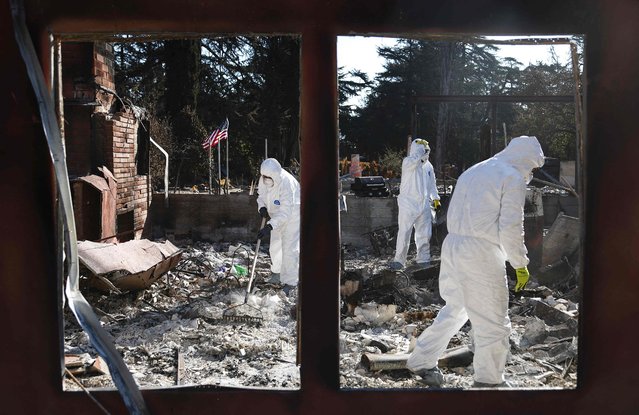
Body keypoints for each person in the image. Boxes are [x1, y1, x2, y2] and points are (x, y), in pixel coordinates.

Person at [405, 135, 545, 388]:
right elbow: (511, 226)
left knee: (456, 309)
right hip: (481, 252)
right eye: (532, 167)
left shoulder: (474, 170)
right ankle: (490, 383)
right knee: (493, 321)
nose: (531, 172)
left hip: (453, 246)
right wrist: (520, 263)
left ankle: (421, 361)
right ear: (525, 159)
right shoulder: (511, 177)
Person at [389, 138, 441, 270]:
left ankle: (423, 259)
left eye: (427, 150)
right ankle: (399, 261)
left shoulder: (429, 166)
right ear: (416, 149)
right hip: (408, 203)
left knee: (424, 233)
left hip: (423, 204)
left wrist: (435, 198)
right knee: (404, 232)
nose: (426, 152)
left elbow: (432, 184)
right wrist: (420, 153)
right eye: (424, 150)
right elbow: (416, 160)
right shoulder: (408, 162)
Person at [256, 158, 301, 294]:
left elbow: (285, 212)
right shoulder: (264, 178)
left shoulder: (287, 183)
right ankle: (276, 273)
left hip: (292, 214)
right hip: (275, 214)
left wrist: (269, 227)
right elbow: (261, 194)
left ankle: (291, 282)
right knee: (275, 246)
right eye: (264, 176)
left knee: (289, 249)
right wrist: (262, 207)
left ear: (275, 175)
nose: (265, 179)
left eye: (268, 177)